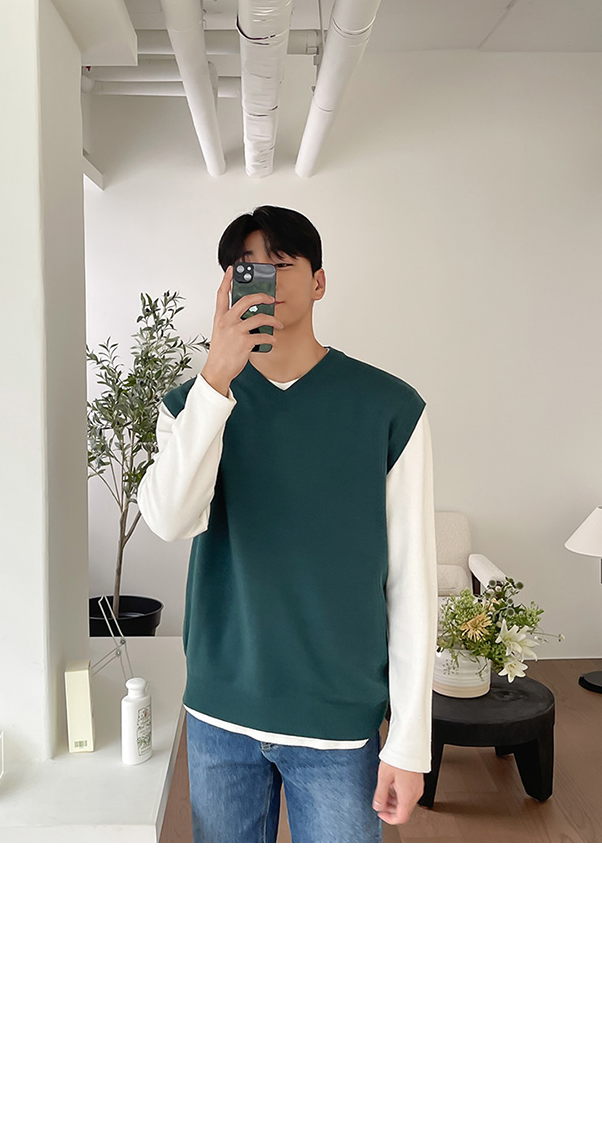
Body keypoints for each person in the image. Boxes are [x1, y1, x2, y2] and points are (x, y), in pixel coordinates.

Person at [136, 206, 438, 842]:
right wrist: (215, 380)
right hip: (220, 714)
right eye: (246, 267)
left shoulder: (389, 408)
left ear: (319, 282)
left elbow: (411, 582)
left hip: (337, 723)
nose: (263, 278)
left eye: (281, 263)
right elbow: (167, 520)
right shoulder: (193, 404)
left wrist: (409, 743)